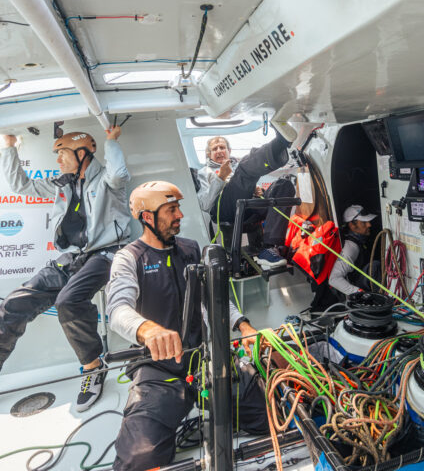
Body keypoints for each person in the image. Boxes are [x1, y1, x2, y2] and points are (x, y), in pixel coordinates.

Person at [0, 127, 131, 410]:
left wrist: (111, 142)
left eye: (62, 153)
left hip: (107, 254)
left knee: (69, 302)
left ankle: (93, 367)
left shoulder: (106, 180)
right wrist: (9, 146)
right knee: (12, 306)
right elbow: (21, 185)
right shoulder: (60, 184)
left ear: (82, 153)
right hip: (71, 258)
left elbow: (118, 174)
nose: (58, 160)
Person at [106, 181, 267, 470]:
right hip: (159, 371)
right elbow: (118, 310)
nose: (179, 214)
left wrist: (243, 326)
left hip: (206, 360)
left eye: (178, 207)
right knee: (138, 460)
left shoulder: (191, 249)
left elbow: (215, 300)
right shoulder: (129, 258)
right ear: (147, 217)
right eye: (171, 209)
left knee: (269, 415)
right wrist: (147, 329)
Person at [196, 132, 295, 268]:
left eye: (222, 147)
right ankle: (279, 144)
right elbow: (205, 204)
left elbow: (246, 182)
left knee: (284, 185)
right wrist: (221, 178)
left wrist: (259, 191)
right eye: (214, 149)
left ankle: (269, 247)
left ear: (229, 151)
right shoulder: (204, 172)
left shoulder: (237, 166)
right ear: (208, 154)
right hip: (225, 210)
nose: (219, 151)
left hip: (248, 206)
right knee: (244, 169)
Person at [328, 204, 378, 297]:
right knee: (375, 266)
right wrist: (358, 293)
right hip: (354, 290)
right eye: (363, 222)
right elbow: (333, 279)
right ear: (352, 226)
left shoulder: (360, 241)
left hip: (358, 281)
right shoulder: (350, 247)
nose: (369, 224)